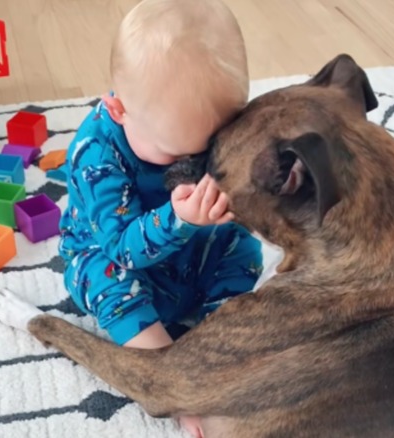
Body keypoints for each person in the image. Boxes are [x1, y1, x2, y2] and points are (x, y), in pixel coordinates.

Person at [58, 1, 262, 434]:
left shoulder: (176, 126)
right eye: (174, 153)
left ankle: (219, 341)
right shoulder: (96, 154)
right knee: (107, 280)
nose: (191, 164)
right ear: (119, 111)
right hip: (118, 251)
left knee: (242, 246)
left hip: (186, 238)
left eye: (205, 150)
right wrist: (178, 219)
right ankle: (172, 384)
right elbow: (121, 248)